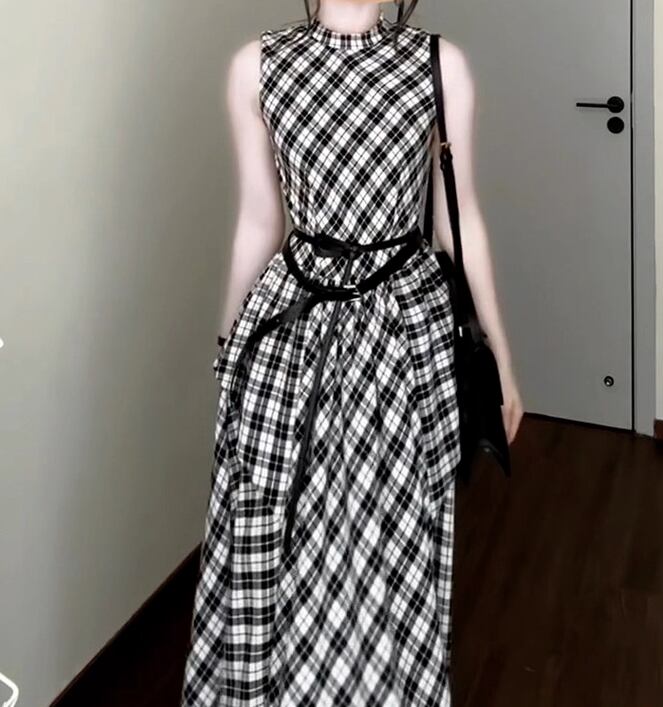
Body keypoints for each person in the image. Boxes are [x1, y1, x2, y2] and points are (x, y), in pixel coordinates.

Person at [181, 1, 524, 704]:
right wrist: (227, 344)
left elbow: (458, 222)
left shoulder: (439, 64)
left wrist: (502, 362)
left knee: (389, 544)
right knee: (271, 531)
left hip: (404, 337)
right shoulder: (258, 66)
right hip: (289, 335)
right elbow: (260, 219)